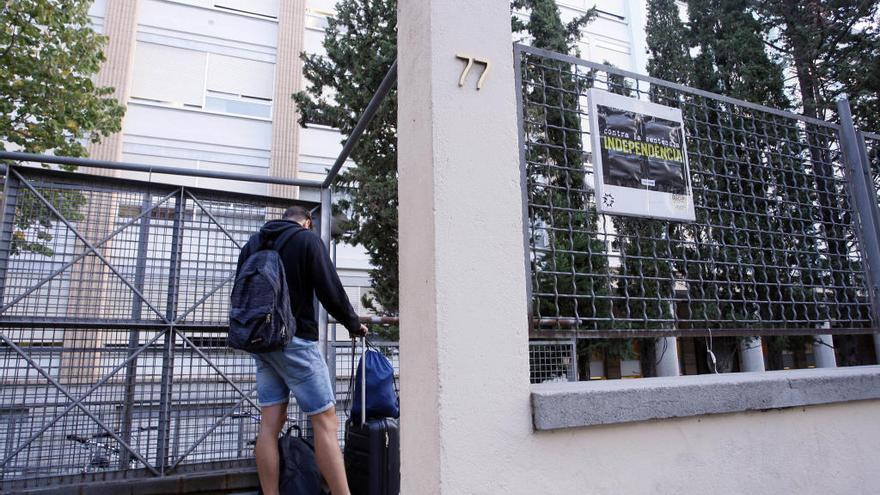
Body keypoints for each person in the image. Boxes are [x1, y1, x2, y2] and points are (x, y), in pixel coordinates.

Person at [236, 205, 368, 495]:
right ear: (307, 222)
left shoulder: (253, 244)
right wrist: (354, 323)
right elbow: (329, 288)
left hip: (261, 343)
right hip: (295, 342)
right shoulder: (306, 240)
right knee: (325, 421)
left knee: (270, 425)